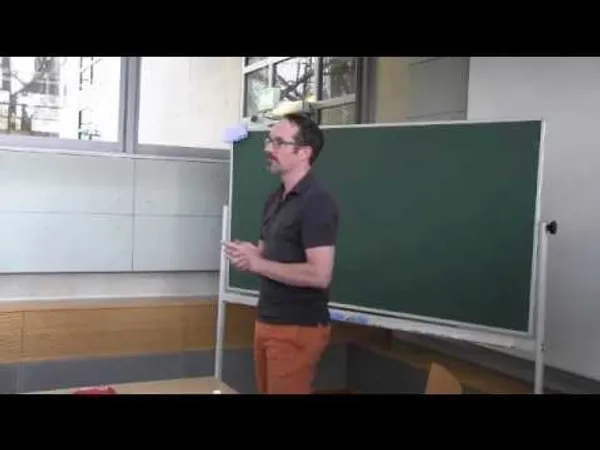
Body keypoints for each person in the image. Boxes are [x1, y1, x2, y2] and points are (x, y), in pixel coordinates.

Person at [224, 112, 339, 394]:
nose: (268, 149)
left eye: (278, 143)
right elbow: (266, 255)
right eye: (268, 141)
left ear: (304, 153)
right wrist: (250, 254)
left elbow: (320, 274)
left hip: (297, 327)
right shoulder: (275, 199)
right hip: (267, 319)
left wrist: (258, 263)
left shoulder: (317, 201)